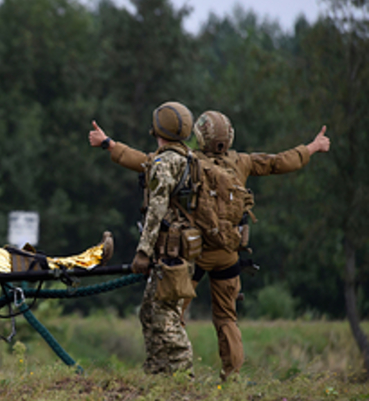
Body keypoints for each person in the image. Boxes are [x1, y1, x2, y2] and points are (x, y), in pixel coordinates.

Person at [89, 109, 331, 380]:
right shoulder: (244, 162)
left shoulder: (190, 162)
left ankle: (175, 371)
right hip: (229, 255)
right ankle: (233, 377)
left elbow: (145, 162)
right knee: (227, 318)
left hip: (195, 255)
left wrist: (108, 143)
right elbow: (280, 162)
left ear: (200, 136)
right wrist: (313, 146)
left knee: (171, 313)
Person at [90, 102, 196, 375]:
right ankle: (159, 371)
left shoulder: (164, 164)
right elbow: (142, 161)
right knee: (150, 313)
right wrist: (108, 144)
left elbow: (156, 210)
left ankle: (182, 375)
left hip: (168, 253)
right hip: (184, 250)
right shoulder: (188, 159)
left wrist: (143, 252)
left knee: (163, 316)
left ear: (158, 128)